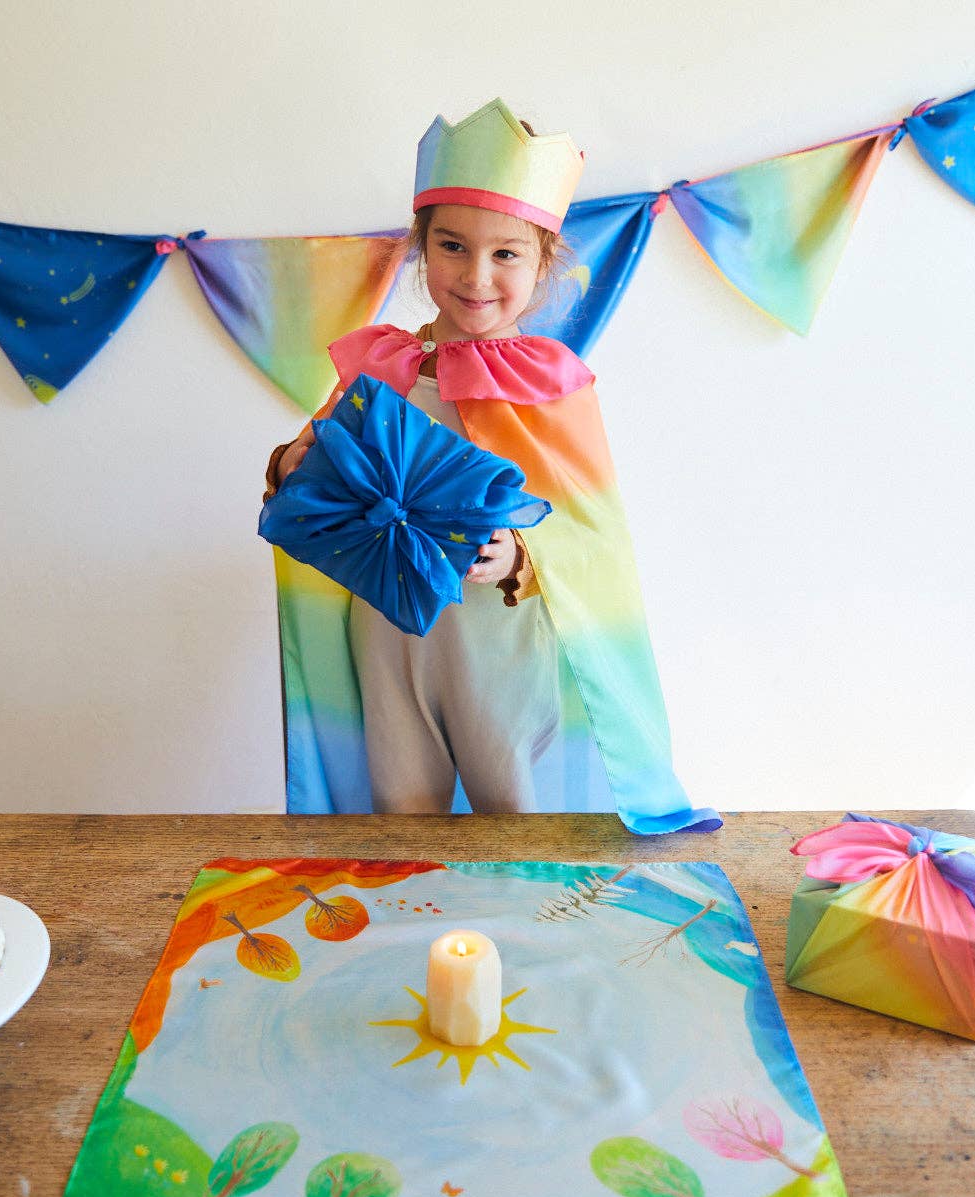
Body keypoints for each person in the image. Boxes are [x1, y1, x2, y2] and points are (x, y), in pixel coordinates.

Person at [263, 98, 720, 834]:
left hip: (500, 644)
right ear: (420, 246)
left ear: (543, 263)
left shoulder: (550, 384)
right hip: (386, 635)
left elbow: (590, 540)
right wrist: (290, 461)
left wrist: (519, 553)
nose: (476, 275)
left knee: (511, 817)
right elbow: (315, 477)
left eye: (506, 252)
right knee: (400, 815)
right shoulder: (383, 365)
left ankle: (522, 942)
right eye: (451, 246)